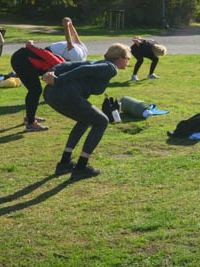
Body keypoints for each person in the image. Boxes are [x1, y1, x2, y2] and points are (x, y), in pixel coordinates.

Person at [42, 43, 130, 180]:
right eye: (127, 58)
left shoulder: (99, 62)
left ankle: (65, 162)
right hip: (65, 93)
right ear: (119, 58)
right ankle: (81, 167)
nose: (128, 61)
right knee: (102, 121)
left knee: (85, 119)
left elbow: (66, 65)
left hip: (50, 94)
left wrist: (50, 72)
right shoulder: (111, 68)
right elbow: (85, 69)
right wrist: (58, 81)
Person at [10, 41, 65, 132]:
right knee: (35, 90)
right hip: (21, 60)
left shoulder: (60, 67)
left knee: (34, 90)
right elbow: (41, 52)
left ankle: (29, 118)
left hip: (22, 60)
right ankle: (31, 124)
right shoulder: (58, 63)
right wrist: (31, 46)